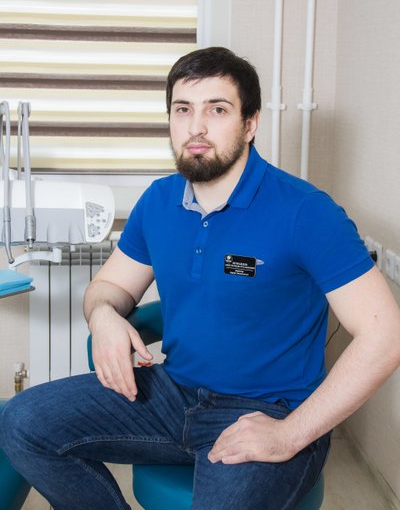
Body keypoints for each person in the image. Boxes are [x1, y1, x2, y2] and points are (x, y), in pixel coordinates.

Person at [1, 47, 400, 510]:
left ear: (250, 124)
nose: (196, 127)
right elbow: (109, 288)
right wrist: (103, 316)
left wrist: (289, 434)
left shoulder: (306, 212)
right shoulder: (159, 201)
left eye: (217, 109)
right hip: (173, 395)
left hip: (268, 410)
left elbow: (385, 336)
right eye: (183, 109)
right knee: (21, 422)